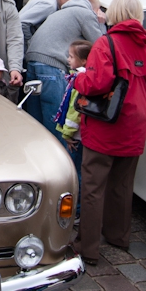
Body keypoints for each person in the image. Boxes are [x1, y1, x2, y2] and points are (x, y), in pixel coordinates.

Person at [73, 0, 146, 265]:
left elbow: (96, 84)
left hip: (107, 126)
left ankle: (88, 247)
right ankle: (119, 236)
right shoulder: (145, 45)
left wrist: (79, 79)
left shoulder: (105, 43)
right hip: (137, 122)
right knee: (122, 184)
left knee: (94, 186)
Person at [25, 0, 106, 140]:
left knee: (34, 122)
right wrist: (100, 23)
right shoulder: (85, 13)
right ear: (94, 8)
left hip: (32, 60)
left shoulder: (60, 12)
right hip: (52, 65)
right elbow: (101, 45)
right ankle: (60, 161)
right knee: (56, 123)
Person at [55, 39, 93, 215]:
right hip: (81, 135)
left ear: (84, 60)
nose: (68, 59)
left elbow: (74, 110)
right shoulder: (82, 76)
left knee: (76, 173)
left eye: (71, 56)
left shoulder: (79, 80)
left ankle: (76, 211)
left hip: (76, 137)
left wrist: (67, 134)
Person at [19, 0, 85, 52]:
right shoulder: (49, 6)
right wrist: (31, 43)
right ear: (71, 0)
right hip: (21, 46)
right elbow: (22, 22)